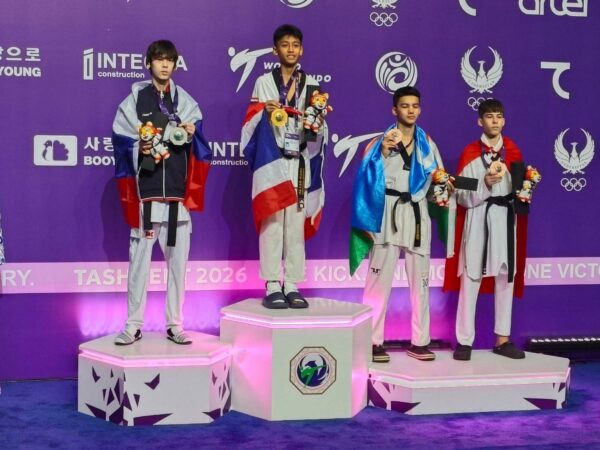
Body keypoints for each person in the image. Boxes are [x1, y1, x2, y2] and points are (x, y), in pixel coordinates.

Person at [112, 40, 212, 345]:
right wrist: (139, 147)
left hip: (177, 198)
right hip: (147, 195)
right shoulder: (134, 101)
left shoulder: (186, 101)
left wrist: (192, 134)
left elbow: (200, 145)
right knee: (138, 265)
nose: (165, 65)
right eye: (159, 59)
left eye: (170, 60)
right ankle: (133, 325)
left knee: (178, 267)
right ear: (149, 64)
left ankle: (175, 324)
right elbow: (121, 139)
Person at [350, 86, 448, 363]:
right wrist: (382, 152)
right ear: (395, 109)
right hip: (388, 212)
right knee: (378, 282)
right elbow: (365, 177)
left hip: (416, 214)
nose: (411, 110)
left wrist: (443, 189)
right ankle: (372, 341)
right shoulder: (381, 142)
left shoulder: (427, 144)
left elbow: (437, 178)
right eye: (405, 106)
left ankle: (420, 342)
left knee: (421, 284)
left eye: (415, 105)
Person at [241, 24, 326, 309]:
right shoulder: (263, 82)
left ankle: (292, 283)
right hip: (272, 159)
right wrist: (262, 113)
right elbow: (250, 121)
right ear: (275, 50)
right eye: (285, 45)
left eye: (295, 45)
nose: (290, 50)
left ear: (302, 50)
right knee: (273, 222)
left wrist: (316, 123)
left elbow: (320, 126)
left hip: (299, 161)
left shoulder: (312, 84)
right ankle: (272, 283)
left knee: (295, 225)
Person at [444, 99, 528, 361]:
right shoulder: (470, 153)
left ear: (504, 120)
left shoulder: (513, 152)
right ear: (480, 121)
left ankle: (503, 339)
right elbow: (460, 193)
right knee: (471, 277)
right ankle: (464, 341)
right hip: (478, 217)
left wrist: (527, 190)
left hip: (505, 220)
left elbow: (520, 192)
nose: (495, 121)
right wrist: (485, 184)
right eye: (489, 116)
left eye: (499, 116)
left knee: (505, 277)